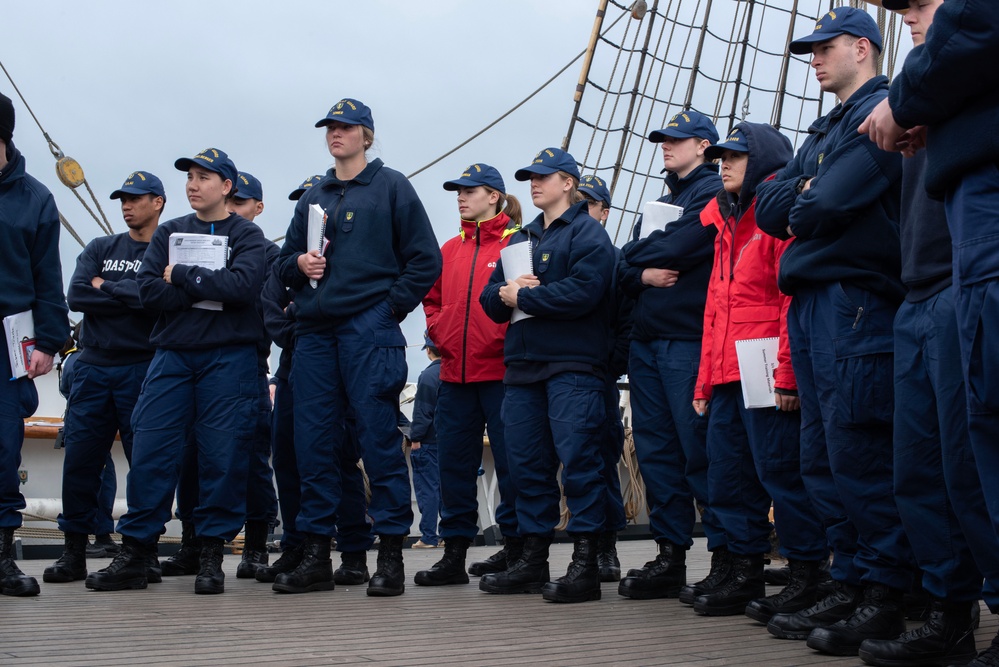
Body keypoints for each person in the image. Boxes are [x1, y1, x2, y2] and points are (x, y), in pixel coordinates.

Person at [754, 8, 912, 656]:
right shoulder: (823, 128)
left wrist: (804, 192)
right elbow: (772, 208)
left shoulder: (883, 113)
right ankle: (848, 578)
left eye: (824, 49)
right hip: (812, 302)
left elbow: (822, 203)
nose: (813, 59)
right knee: (818, 456)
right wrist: (804, 189)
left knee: (858, 452)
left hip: (855, 300)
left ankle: (886, 590)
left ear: (861, 47)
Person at [856, 1, 999, 665]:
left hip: (958, 279)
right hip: (926, 287)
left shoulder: (935, 68)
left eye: (918, 3)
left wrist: (911, 100)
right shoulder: (934, 91)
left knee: (975, 451)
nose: (909, 16)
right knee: (924, 466)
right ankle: (948, 608)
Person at [275, 98, 442, 596]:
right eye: (330, 127)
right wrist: (299, 267)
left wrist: (388, 309)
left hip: (368, 330)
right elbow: (283, 263)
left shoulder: (391, 188)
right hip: (315, 335)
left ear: (367, 135)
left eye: (346, 128)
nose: (336, 134)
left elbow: (424, 260)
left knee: (376, 439)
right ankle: (316, 557)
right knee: (314, 445)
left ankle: (389, 556)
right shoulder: (314, 196)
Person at [85, 147, 268, 595]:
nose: (193, 184)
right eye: (189, 176)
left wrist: (182, 275)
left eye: (204, 177)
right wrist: (205, 287)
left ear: (226, 187)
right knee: (151, 448)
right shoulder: (169, 230)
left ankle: (210, 555)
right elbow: (148, 293)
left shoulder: (248, 237)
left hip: (230, 357)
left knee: (221, 455)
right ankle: (135, 552)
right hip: (173, 354)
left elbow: (244, 287)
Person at [686, 123, 827, 619]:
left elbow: (792, 295)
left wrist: (787, 372)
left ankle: (809, 573)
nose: (723, 163)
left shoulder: (774, 220)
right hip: (728, 370)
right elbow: (715, 307)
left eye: (736, 156)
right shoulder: (724, 222)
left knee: (781, 474)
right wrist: (704, 379)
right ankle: (742, 570)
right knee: (727, 476)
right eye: (721, 156)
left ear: (762, 162)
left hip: (766, 364)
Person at [479, 147, 616, 604]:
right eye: (530, 177)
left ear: (568, 183)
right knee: (525, 467)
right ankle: (533, 559)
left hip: (573, 366)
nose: (534, 183)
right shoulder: (521, 239)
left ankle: (585, 563)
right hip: (523, 369)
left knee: (579, 461)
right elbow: (488, 300)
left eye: (544, 176)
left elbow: (586, 292)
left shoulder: (587, 235)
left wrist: (527, 299)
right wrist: (505, 292)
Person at [615, 111, 727, 602]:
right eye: (662, 139)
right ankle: (671, 554)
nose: (665, 146)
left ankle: (727, 557)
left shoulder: (712, 192)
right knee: (658, 452)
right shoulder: (658, 200)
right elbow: (620, 263)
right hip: (647, 341)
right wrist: (643, 270)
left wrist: (647, 252)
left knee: (699, 448)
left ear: (703, 145)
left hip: (687, 340)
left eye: (675, 140)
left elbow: (686, 245)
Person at [43, 171, 163, 585]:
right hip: (93, 366)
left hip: (143, 367)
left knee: (145, 463)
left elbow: (158, 302)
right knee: (80, 460)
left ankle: (142, 552)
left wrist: (107, 288)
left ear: (158, 202)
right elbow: (77, 294)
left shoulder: (167, 251)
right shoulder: (100, 247)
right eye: (122, 199)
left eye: (135, 198)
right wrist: (129, 292)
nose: (126, 205)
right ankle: (73, 551)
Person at [257, 178, 374, 586]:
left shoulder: (339, 260)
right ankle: (297, 545)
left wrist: (304, 322)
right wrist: (302, 333)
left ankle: (355, 551)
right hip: (293, 370)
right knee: (290, 459)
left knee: (339, 459)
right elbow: (272, 312)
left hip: (338, 371)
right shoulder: (287, 263)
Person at [414, 162, 521, 587]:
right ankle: (454, 554)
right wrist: (438, 328)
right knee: (454, 468)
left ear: (493, 195)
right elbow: (432, 299)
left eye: (469, 190)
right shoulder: (448, 250)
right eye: (458, 191)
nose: (460, 196)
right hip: (454, 375)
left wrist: (495, 335)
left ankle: (516, 549)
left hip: (500, 373)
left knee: (513, 465)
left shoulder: (517, 243)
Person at [0, 91, 70, 597]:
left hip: (7, 342)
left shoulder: (36, 199)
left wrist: (48, 341)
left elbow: (48, 276)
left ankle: (2, 557)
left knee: (3, 450)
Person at [579, 175, 630, 582]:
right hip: (563, 371)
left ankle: (606, 546)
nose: (581, 207)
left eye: (589, 203)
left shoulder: (617, 259)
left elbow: (627, 318)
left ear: (604, 212)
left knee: (600, 461)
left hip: (599, 374)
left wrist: (611, 364)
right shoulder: (555, 249)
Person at [409, 332, 442, 550]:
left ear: (428, 350)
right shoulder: (452, 373)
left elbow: (422, 411)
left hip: (428, 441)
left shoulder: (428, 376)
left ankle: (429, 537)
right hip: (450, 440)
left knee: (428, 489)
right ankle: (450, 533)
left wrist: (415, 437)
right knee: (447, 489)